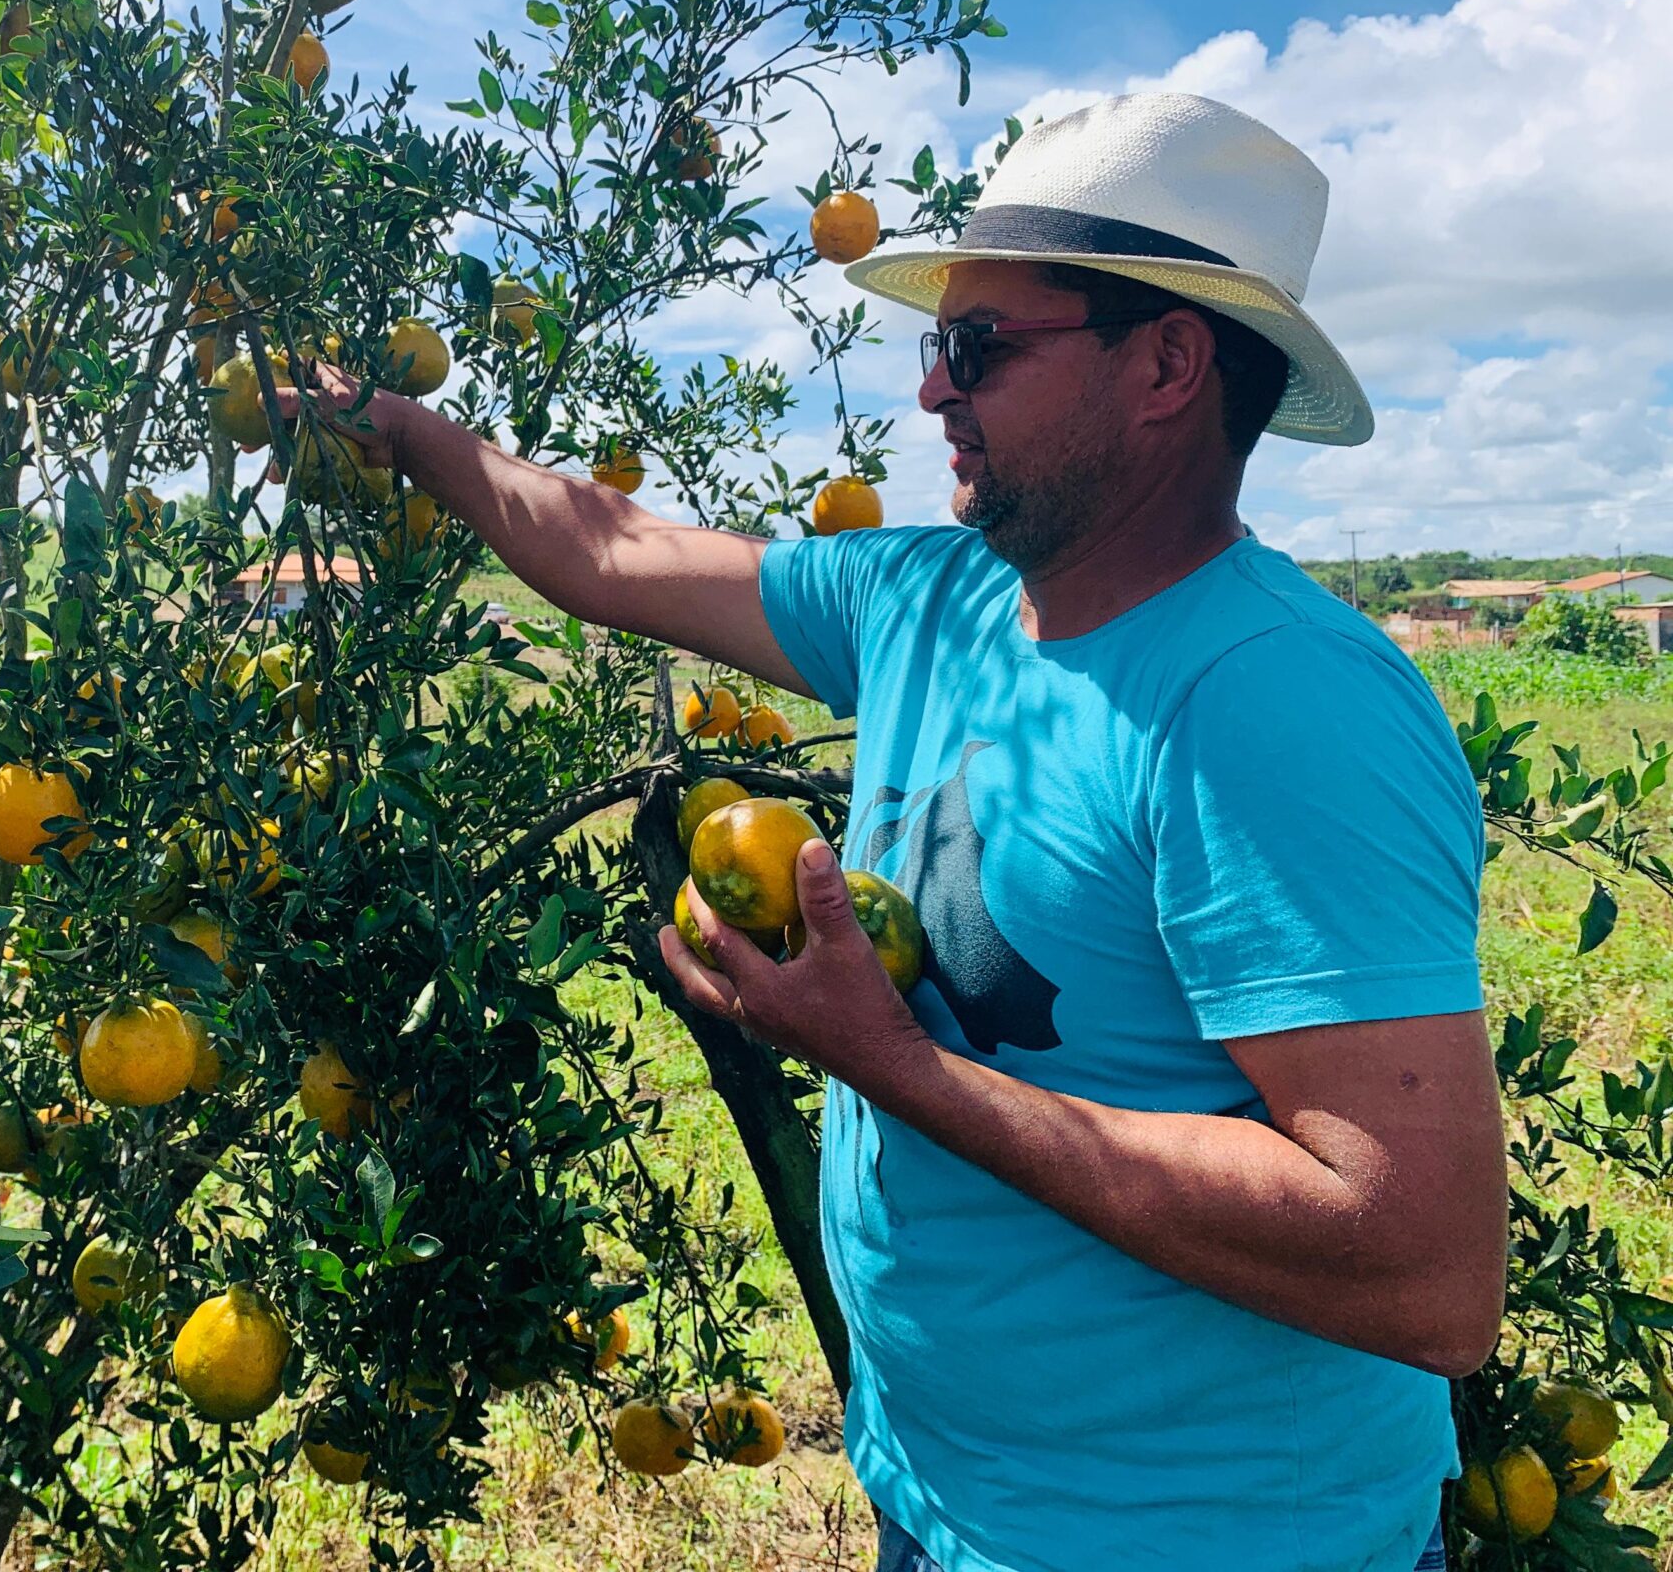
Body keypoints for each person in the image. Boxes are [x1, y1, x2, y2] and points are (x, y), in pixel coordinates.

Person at [282, 93, 1502, 1572]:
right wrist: (407, 432)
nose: (934, 393)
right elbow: (612, 556)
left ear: (1169, 364)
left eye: (978, 347)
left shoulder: (1279, 708)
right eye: (938, 348)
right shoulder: (929, 599)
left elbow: (1427, 1273)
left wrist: (891, 1067)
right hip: (937, 1502)